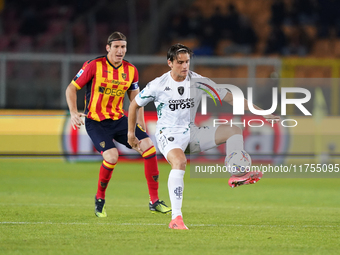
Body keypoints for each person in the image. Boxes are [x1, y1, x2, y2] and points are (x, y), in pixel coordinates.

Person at [127, 43, 279, 229]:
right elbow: (134, 104)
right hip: (168, 134)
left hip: (192, 131)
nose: (185, 66)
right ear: (170, 63)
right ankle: (176, 218)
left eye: (187, 62)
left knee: (234, 130)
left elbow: (231, 98)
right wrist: (132, 133)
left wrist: (261, 112)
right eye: (180, 62)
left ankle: (237, 174)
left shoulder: (198, 81)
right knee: (180, 162)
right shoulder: (158, 85)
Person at [65, 32, 171, 218]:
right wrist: (73, 112)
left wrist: (141, 127)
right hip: (96, 122)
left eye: (123, 47)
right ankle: (100, 198)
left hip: (119, 120)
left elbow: (137, 101)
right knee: (112, 156)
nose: (120, 50)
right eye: (116, 47)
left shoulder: (131, 70)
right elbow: (71, 88)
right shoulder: (94, 66)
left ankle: (154, 201)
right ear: (108, 48)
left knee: (149, 147)